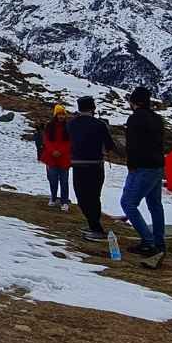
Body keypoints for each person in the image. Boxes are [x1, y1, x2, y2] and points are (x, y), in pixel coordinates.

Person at [121, 86, 167, 260]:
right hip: (157, 166)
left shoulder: (135, 119)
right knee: (155, 205)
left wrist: (131, 164)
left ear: (135, 102)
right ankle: (159, 242)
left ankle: (148, 243)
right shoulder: (157, 119)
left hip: (142, 167)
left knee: (128, 203)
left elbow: (132, 145)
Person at [65, 95, 119, 240]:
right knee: (94, 196)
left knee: (82, 197)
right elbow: (109, 146)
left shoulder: (71, 124)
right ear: (93, 109)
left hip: (77, 165)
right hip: (95, 165)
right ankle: (96, 228)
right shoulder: (100, 125)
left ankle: (93, 225)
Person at [35, 105, 72, 211]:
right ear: (55, 115)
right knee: (53, 180)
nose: (61, 116)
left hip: (64, 158)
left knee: (64, 181)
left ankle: (64, 202)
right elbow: (46, 141)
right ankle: (53, 198)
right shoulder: (49, 127)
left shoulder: (68, 127)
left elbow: (70, 142)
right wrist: (52, 151)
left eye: (63, 114)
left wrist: (60, 151)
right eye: (59, 114)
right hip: (51, 157)